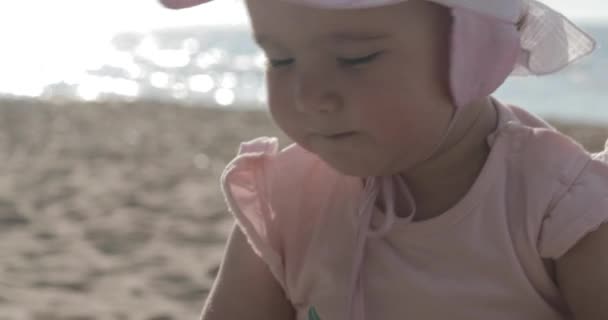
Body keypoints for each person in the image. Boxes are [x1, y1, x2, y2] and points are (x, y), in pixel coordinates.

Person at [162, 0, 608, 319]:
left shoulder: (560, 207)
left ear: (480, 57)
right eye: (280, 60)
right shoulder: (287, 203)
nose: (308, 95)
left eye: (356, 58)